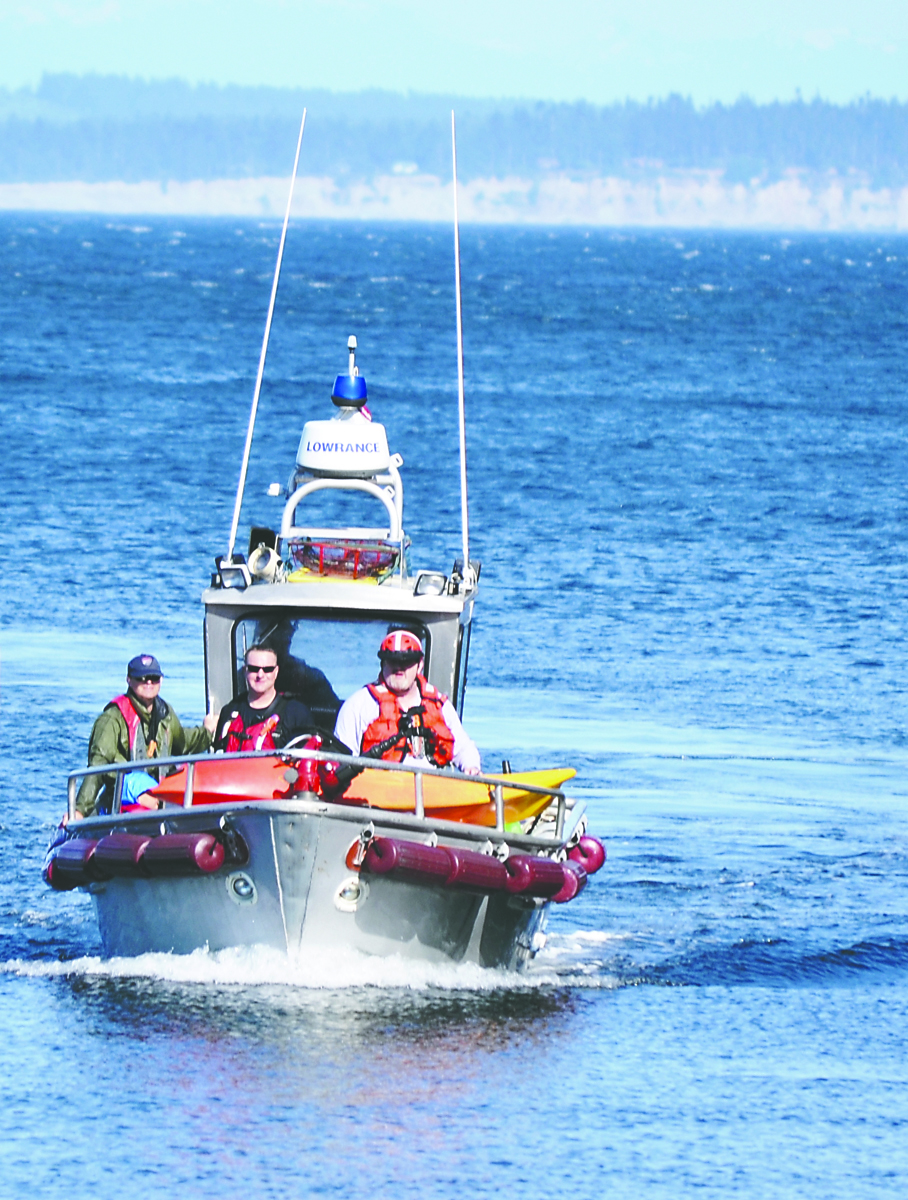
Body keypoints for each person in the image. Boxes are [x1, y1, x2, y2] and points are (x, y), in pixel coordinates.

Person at [75, 654, 218, 817]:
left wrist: (207, 732)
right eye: (141, 678)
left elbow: (183, 743)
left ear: (161, 680)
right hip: (121, 799)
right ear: (129, 680)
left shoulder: (166, 714)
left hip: (159, 796)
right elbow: (97, 766)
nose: (148, 682)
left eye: (153, 678)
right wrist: (80, 810)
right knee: (135, 783)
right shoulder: (111, 719)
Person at [334, 629, 481, 774]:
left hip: (429, 789)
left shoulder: (440, 706)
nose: (399, 667)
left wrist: (471, 767)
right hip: (378, 790)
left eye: (407, 661)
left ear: (420, 664)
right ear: (383, 663)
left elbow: (463, 748)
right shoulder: (358, 705)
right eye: (392, 661)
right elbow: (341, 761)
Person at [214, 643, 316, 752]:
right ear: (244, 671)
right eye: (254, 669)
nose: (260, 675)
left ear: (276, 672)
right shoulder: (229, 711)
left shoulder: (297, 713)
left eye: (268, 669)